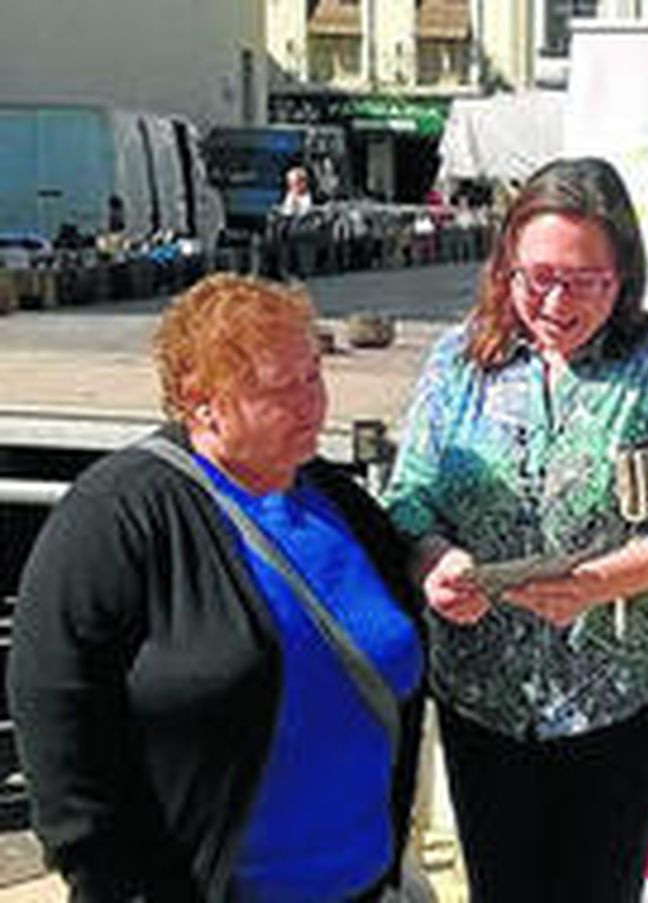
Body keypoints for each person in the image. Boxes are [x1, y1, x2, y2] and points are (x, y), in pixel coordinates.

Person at [7, 273, 426, 901]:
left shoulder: (343, 506)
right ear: (201, 401)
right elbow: (56, 714)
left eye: (313, 375)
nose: (312, 405)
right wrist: (107, 880)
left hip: (365, 883)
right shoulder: (116, 516)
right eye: (278, 389)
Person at [382, 156, 648, 901]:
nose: (556, 301)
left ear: (623, 274)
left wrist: (596, 585)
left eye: (585, 281)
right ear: (505, 265)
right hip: (484, 696)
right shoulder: (458, 360)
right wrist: (436, 563)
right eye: (537, 276)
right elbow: (408, 497)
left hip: (622, 697)